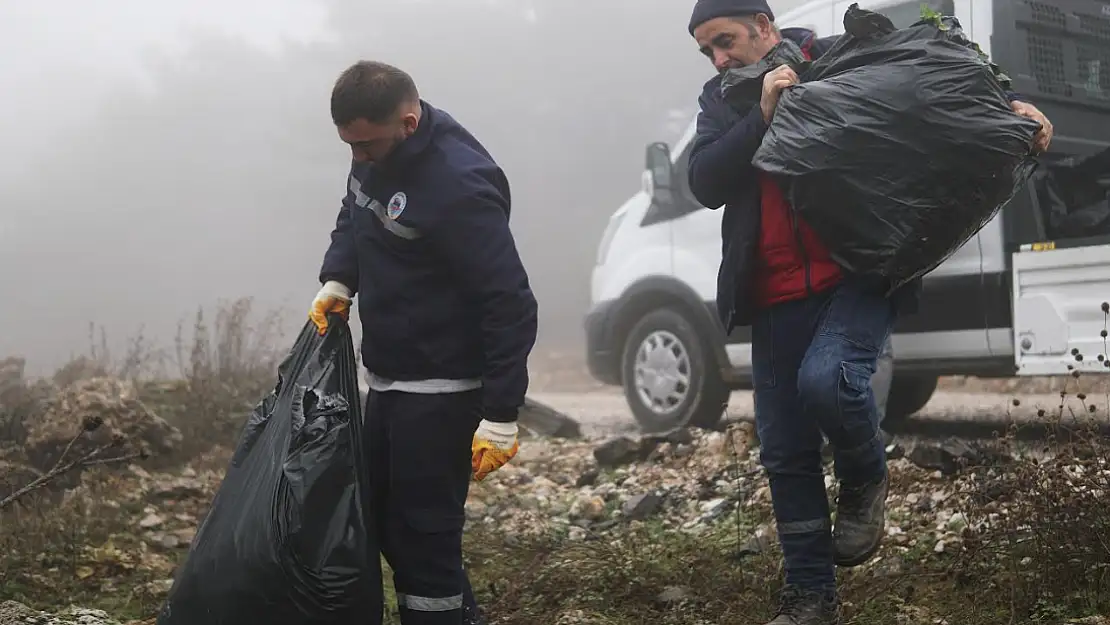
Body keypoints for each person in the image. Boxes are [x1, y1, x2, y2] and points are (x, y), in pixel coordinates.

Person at [685, 2, 1054, 623]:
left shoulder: (834, 59)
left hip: (853, 278)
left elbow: (928, 81)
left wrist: (1012, 109)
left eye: (725, 41)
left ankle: (865, 475)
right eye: (707, 52)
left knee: (830, 381)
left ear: (764, 27)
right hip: (771, 294)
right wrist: (763, 117)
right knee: (786, 454)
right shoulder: (720, 101)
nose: (719, 59)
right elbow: (703, 181)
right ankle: (810, 598)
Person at [308, 60, 539, 625]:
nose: (357, 158)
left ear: (408, 123)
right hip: (387, 381)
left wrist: (502, 413)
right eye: (348, 146)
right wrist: (340, 277)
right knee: (386, 523)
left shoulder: (457, 186)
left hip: (442, 390)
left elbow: (509, 300)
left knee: (422, 540)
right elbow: (354, 212)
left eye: (367, 145)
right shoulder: (372, 156)